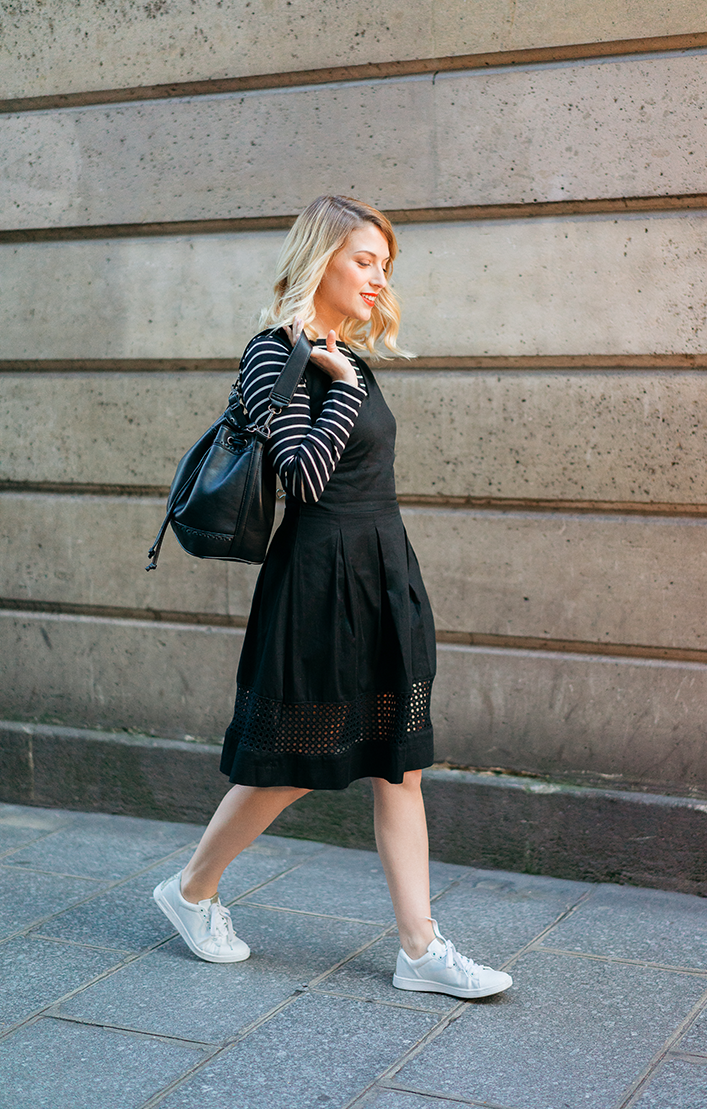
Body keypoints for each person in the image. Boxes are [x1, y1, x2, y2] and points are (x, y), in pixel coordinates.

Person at [153, 195, 512, 1000]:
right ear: (320, 259)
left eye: (386, 265)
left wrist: (346, 369)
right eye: (364, 260)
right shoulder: (274, 354)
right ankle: (191, 890)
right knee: (293, 761)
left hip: (382, 572)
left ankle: (420, 949)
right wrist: (344, 385)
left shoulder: (345, 350)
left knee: (401, 765)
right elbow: (304, 479)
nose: (379, 278)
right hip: (318, 581)